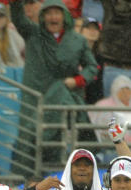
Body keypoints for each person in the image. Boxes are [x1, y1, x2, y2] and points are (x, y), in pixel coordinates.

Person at [10, 0, 98, 176]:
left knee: (58, 140)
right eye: (49, 13)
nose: (53, 17)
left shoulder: (78, 40)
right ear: (42, 16)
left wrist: (78, 80)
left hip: (63, 98)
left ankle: (59, 178)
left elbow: (91, 67)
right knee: (29, 139)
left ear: (64, 16)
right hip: (36, 98)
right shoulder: (33, 33)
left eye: (57, 13)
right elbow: (18, 17)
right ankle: (24, 182)